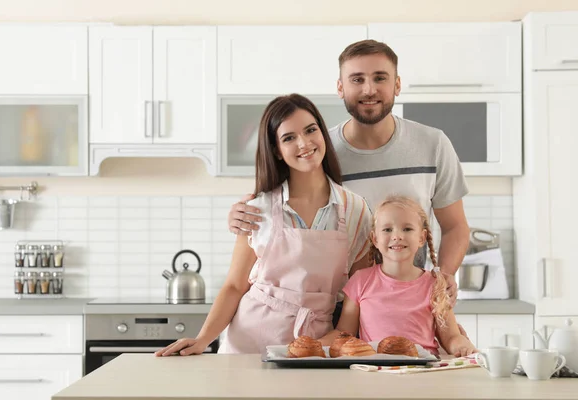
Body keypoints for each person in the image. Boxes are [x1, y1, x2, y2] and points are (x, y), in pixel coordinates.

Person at [228, 40, 470, 305]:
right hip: (340, 308)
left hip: (412, 303)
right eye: (357, 79)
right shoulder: (318, 151)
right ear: (340, 87)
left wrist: (444, 275)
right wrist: (241, 215)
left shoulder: (433, 144)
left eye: (380, 78)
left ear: (397, 84)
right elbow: (280, 204)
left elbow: (455, 227)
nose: (369, 89)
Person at [155, 94, 372, 356]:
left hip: (315, 342)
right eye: (289, 138)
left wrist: (334, 340)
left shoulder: (356, 210)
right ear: (276, 151)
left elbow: (359, 292)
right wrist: (202, 340)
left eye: (310, 130)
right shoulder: (259, 209)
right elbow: (235, 285)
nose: (304, 143)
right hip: (250, 337)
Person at [320, 196, 477, 357]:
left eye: (407, 229)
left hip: (423, 372)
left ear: (421, 238)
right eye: (387, 229)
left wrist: (463, 346)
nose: (397, 236)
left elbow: (451, 337)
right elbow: (343, 333)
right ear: (375, 238)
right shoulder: (360, 281)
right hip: (375, 372)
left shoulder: (435, 285)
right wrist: (314, 345)